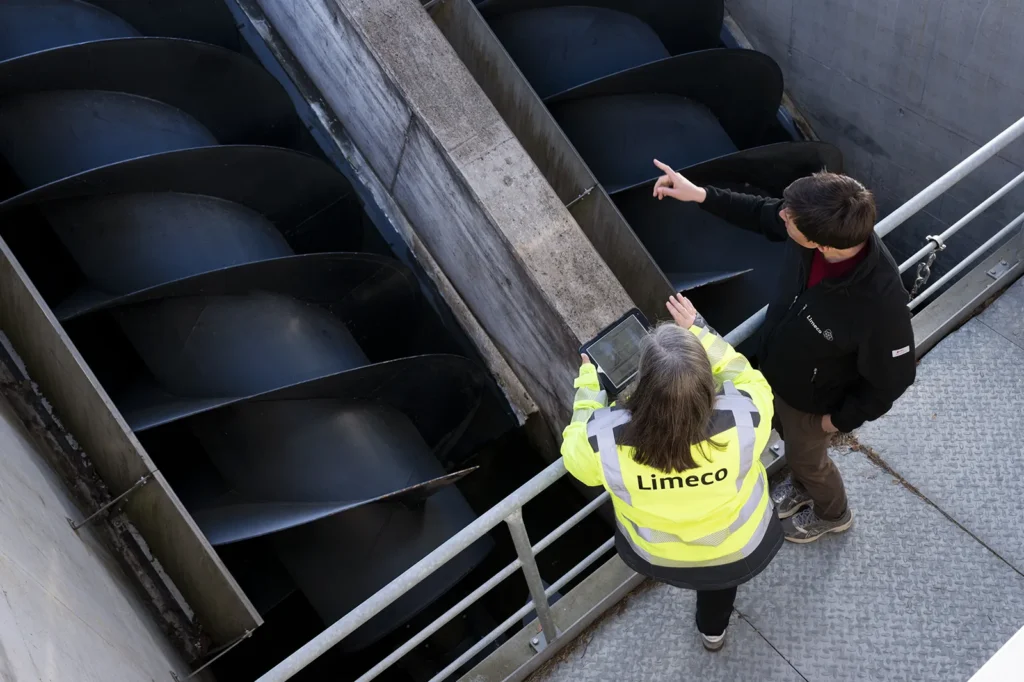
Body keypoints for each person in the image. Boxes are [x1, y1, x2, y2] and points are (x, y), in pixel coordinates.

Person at [650, 161, 916, 543]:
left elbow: (895, 378)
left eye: (789, 217)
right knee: (794, 450)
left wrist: (835, 422)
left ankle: (833, 513)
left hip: (813, 404)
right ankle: (802, 484)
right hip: (776, 372)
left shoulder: (879, 303)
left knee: (809, 459)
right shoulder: (817, 228)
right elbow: (761, 213)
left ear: (820, 244)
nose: (782, 215)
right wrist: (700, 195)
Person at [561, 294, 782, 651]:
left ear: (643, 384)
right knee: (719, 580)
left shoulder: (604, 440)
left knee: (698, 570)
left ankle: (706, 616)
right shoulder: (746, 418)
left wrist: (589, 387)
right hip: (738, 546)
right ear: (705, 379)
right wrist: (701, 332)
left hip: (659, 557)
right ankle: (713, 633)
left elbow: (574, 455)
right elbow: (748, 377)